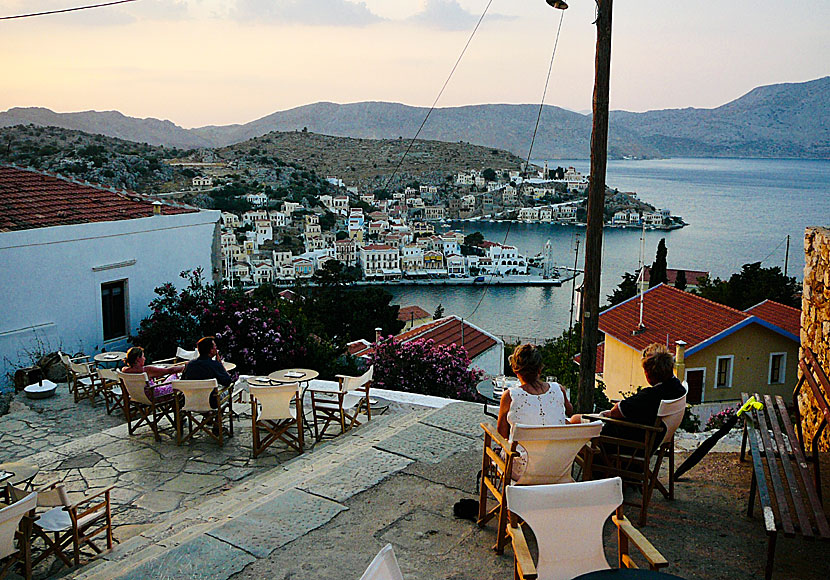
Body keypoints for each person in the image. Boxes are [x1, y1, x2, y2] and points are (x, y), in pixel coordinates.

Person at [571, 343, 686, 439]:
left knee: (575, 419)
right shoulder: (678, 388)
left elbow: (616, 412)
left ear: (649, 374)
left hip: (623, 443)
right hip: (649, 437)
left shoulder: (650, 395)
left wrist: (607, 414)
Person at [496, 344, 573, 477]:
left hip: (523, 471)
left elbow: (501, 434)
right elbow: (570, 411)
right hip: (557, 467)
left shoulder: (510, 396)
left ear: (515, 370)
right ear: (540, 369)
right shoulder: (558, 389)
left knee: (500, 449)